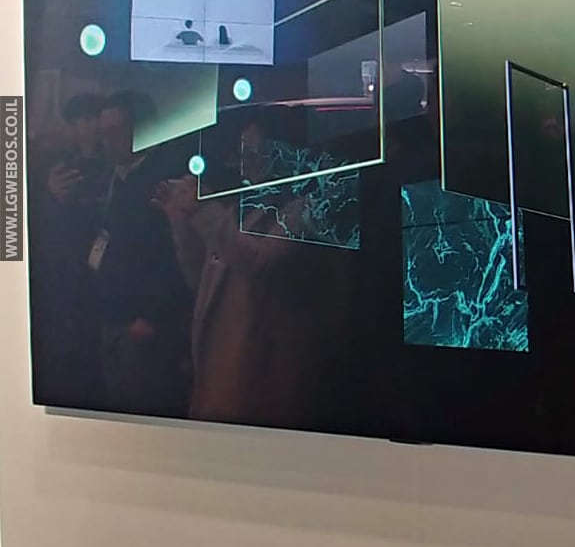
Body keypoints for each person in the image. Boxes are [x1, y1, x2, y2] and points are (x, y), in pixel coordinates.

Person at [156, 120, 349, 429]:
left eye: (255, 152)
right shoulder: (242, 207)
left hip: (264, 389)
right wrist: (180, 221)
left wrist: (203, 212)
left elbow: (260, 264)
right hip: (220, 384)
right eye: (243, 152)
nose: (244, 162)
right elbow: (199, 280)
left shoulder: (307, 209)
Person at [90, 91, 191, 416]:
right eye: (102, 132)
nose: (106, 141)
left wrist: (151, 316)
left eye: (114, 131)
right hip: (110, 317)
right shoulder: (108, 176)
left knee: (145, 412)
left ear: (142, 130)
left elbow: (176, 255)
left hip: (146, 327)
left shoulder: (166, 181)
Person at [29, 93, 110, 406]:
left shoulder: (113, 162)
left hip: (108, 274)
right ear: (73, 125)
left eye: (95, 118)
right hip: (66, 271)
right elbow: (37, 222)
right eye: (83, 120)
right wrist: (53, 196)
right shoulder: (59, 165)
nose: (91, 126)